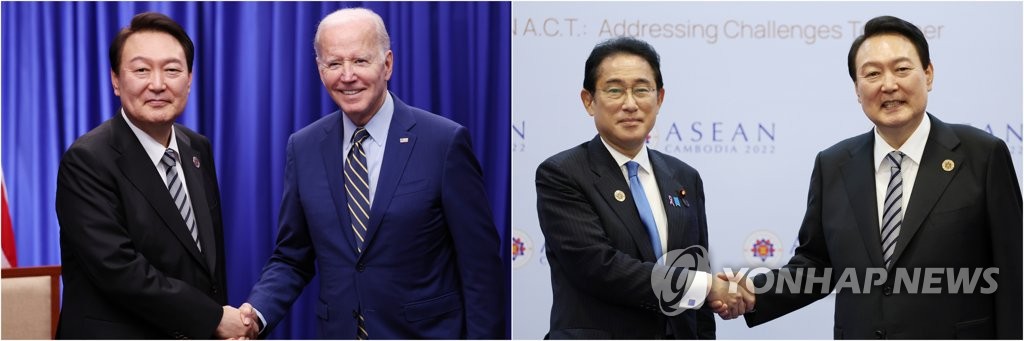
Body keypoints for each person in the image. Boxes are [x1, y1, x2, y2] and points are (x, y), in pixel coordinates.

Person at [721, 15, 1022, 339]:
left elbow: (1014, 270)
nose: (888, 84)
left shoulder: (982, 155)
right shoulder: (833, 165)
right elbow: (817, 265)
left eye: (902, 69)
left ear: (928, 74)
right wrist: (751, 291)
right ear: (857, 89)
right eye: (873, 73)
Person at [237, 8, 505, 339]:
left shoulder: (443, 142)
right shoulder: (303, 147)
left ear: (387, 64)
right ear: (321, 71)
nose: (347, 76)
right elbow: (292, 258)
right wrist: (255, 314)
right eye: (334, 64)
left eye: (360, 61)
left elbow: (480, 267)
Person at [534, 36, 751, 339]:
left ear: (659, 98)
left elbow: (694, 267)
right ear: (588, 101)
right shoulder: (562, 174)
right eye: (614, 90)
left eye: (641, 89)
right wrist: (704, 286)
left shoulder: (684, 177)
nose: (630, 104)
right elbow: (600, 268)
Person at [55, 12, 255, 339]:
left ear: (189, 79)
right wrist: (214, 318)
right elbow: (119, 271)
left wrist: (220, 325)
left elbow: (205, 264)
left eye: (172, 69)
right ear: (116, 80)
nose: (158, 84)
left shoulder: (196, 148)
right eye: (142, 70)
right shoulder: (88, 160)